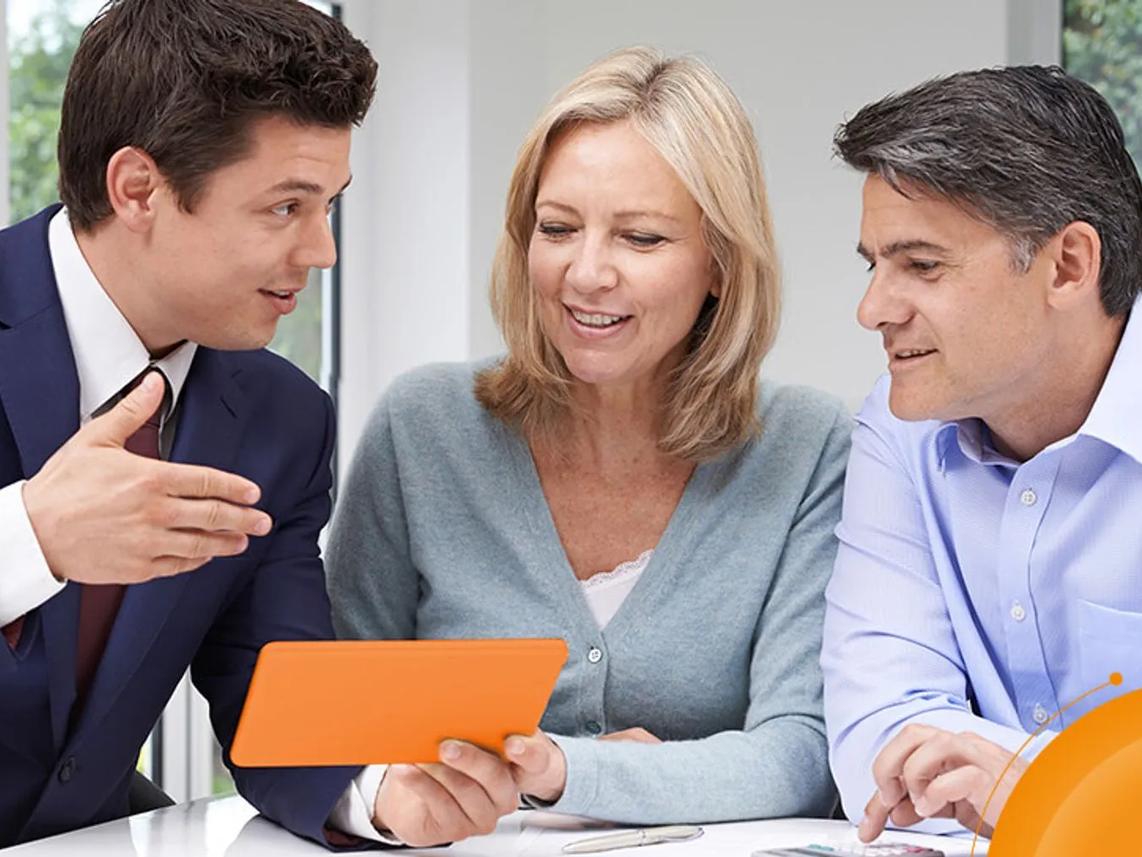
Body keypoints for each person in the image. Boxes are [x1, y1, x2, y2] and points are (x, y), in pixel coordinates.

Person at [326, 46, 850, 847]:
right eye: (557, 228)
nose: (586, 273)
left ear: (720, 262)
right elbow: (332, 717)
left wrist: (559, 772)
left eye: (640, 238)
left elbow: (800, 756)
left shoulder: (809, 447)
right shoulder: (421, 427)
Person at [0, 0, 447, 847]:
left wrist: (383, 789)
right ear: (138, 189)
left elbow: (274, 685)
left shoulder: (283, 417)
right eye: (286, 207)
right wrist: (29, 538)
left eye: (330, 205)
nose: (322, 251)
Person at [822, 65, 1142, 841]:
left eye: (922, 265)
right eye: (875, 264)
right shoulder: (900, 424)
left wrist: (1035, 784)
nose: (872, 310)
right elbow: (878, 736)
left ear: (1068, 265)